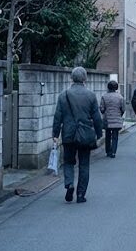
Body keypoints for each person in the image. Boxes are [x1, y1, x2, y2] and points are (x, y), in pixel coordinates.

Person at [51, 67, 103, 203]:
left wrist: (55, 134)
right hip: (85, 134)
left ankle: (69, 184)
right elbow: (97, 117)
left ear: (71, 78)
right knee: (84, 164)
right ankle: (80, 195)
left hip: (68, 134)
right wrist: (99, 133)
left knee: (68, 161)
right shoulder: (91, 95)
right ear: (85, 78)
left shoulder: (63, 95)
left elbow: (58, 117)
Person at [99, 80, 125, 158]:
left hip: (107, 119)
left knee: (107, 135)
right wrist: (120, 114)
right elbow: (123, 108)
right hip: (116, 119)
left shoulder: (104, 96)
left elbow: (102, 108)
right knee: (115, 136)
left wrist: (104, 113)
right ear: (116, 88)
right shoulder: (120, 97)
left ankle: (108, 151)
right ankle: (113, 152)